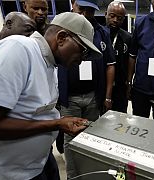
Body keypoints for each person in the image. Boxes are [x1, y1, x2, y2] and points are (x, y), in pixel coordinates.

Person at [0, 12, 102, 180]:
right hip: (5, 173)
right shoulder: (18, 50)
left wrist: (58, 123)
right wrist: (56, 124)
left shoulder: (49, 63)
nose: (81, 60)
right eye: (83, 51)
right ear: (62, 38)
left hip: (35, 166)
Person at [58, 0, 115, 179]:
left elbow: (110, 65)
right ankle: (73, 176)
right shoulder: (59, 27)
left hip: (92, 96)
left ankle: (88, 173)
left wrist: (106, 96)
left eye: (89, 11)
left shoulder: (101, 32)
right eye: (81, 9)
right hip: (69, 98)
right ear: (73, 5)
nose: (84, 14)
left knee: (89, 136)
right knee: (69, 139)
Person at [105, 1, 132, 113]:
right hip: (102, 85)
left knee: (120, 118)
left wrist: (129, 83)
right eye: (112, 16)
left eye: (120, 18)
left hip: (121, 87)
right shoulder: (98, 35)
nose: (115, 20)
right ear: (106, 14)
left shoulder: (128, 38)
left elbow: (131, 62)